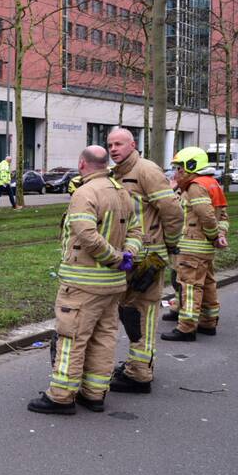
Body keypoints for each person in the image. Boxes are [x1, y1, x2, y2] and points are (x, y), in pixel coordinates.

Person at [28, 145, 141, 414]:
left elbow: (87, 235)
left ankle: (61, 396)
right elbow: (138, 230)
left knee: (71, 337)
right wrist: (128, 255)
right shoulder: (121, 191)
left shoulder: (84, 193)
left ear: (82, 164)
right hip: (113, 285)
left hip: (82, 285)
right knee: (104, 338)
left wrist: (114, 256)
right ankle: (94, 393)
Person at [105, 128, 184, 394]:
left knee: (142, 312)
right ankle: (136, 365)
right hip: (129, 257)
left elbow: (172, 212)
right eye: (110, 144)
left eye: (119, 144)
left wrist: (170, 246)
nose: (113, 148)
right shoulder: (116, 173)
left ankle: (139, 374)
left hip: (148, 256)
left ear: (133, 144)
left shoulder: (146, 170)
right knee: (130, 311)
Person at [161, 147, 229, 342]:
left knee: (189, 286)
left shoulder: (195, 186)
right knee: (207, 285)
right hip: (205, 249)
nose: (176, 173)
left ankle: (186, 328)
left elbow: (205, 215)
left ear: (192, 166)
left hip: (192, 247)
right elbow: (222, 214)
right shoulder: (212, 183)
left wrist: (214, 235)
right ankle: (208, 322)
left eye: (179, 169)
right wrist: (220, 234)